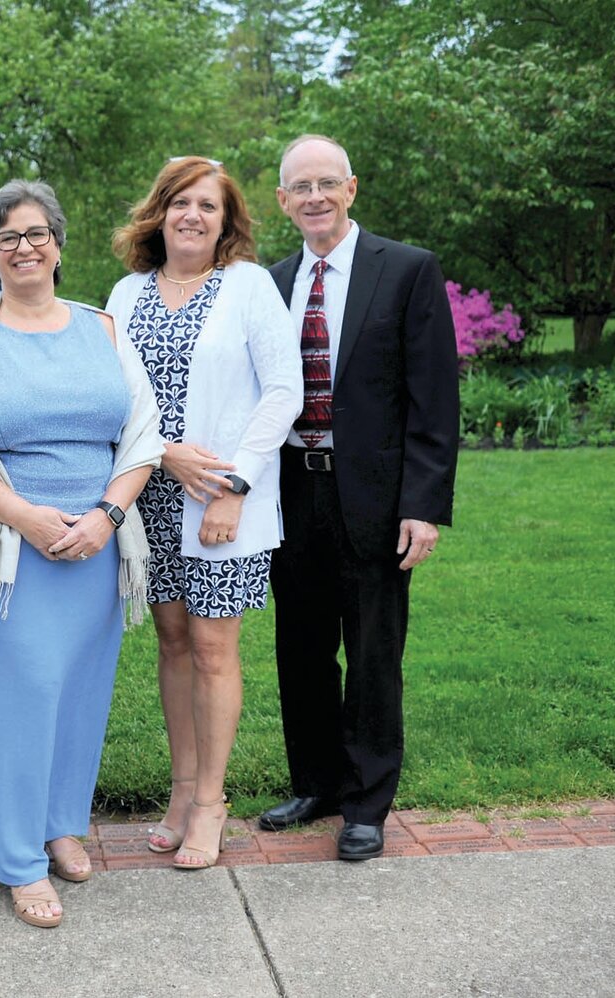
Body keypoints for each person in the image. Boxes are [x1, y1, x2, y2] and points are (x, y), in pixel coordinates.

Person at [0, 180, 164, 928]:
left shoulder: (103, 327)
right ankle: (16, 857)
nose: (22, 248)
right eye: (5, 238)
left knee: (81, 687)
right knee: (16, 689)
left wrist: (105, 514)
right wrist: (26, 517)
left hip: (94, 537)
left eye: (35, 234)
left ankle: (60, 823)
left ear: (57, 245)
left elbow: (143, 436)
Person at [259, 134, 459, 861]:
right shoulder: (268, 281)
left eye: (325, 183)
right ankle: (316, 783)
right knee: (301, 649)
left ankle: (367, 803)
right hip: (289, 496)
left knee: (373, 653)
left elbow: (433, 399)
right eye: (298, 187)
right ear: (282, 202)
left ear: (350, 189)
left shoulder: (405, 270)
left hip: (374, 498)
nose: (313, 197)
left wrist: (423, 504)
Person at [107, 157, 302, 870]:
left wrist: (231, 486)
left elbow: (282, 391)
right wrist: (163, 455)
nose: (191, 215)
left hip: (225, 501)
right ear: (158, 213)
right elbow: (116, 399)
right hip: (151, 496)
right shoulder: (125, 294)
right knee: (172, 644)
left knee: (215, 649)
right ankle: (181, 792)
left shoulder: (247, 287)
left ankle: (212, 803)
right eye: (179, 202)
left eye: (207, 206)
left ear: (226, 222)